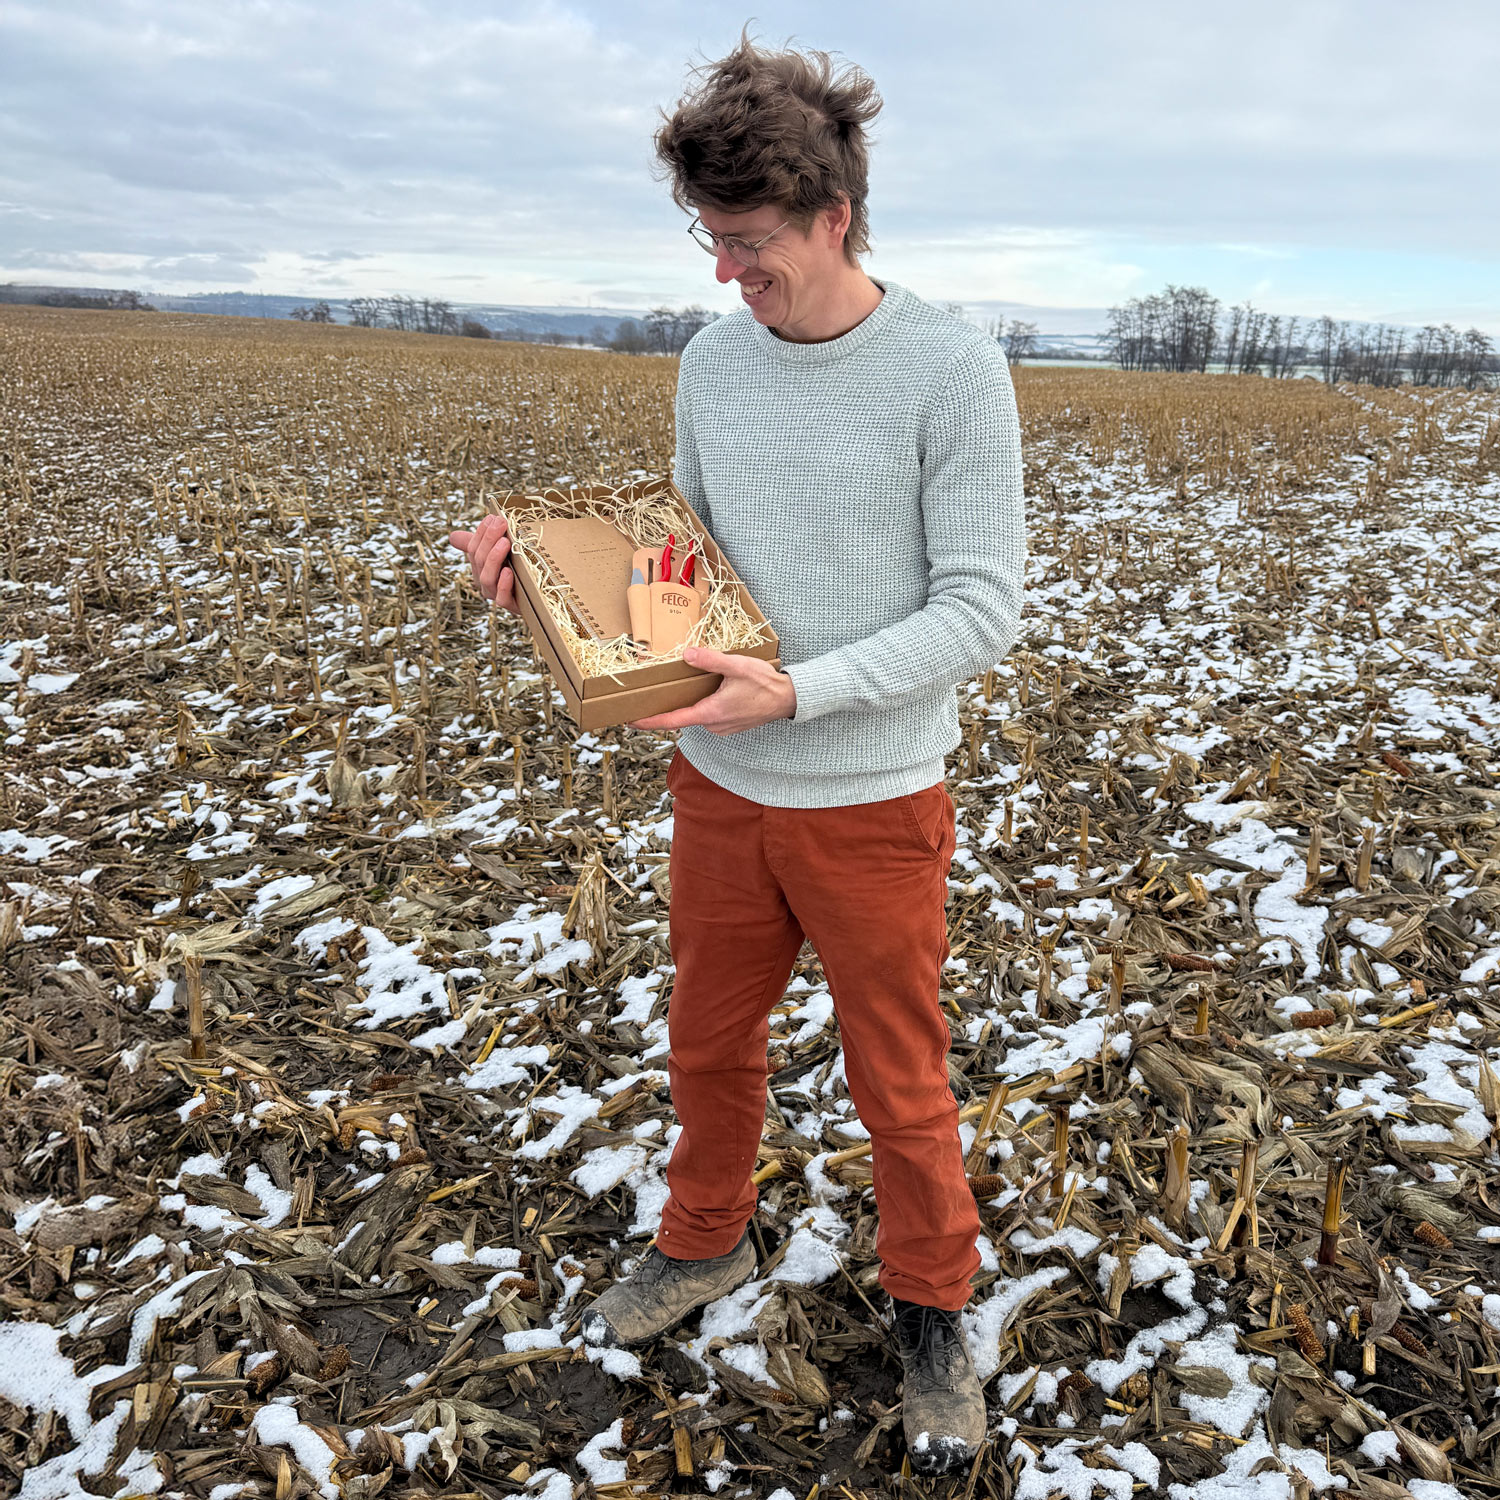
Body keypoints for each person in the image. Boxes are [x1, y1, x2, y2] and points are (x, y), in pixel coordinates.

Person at [448, 32, 1025, 1478]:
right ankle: (706, 1238)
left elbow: (982, 608)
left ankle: (933, 1306)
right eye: (708, 238)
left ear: (835, 216)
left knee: (900, 1078)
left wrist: (801, 693)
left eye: (749, 241)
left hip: (873, 799)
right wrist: (550, 591)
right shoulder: (713, 361)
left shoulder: (951, 370)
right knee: (706, 1042)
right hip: (720, 788)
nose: (724, 272)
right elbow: (680, 568)